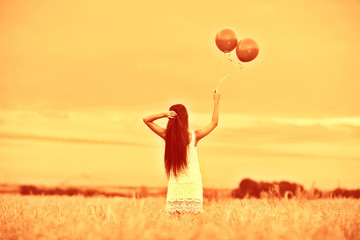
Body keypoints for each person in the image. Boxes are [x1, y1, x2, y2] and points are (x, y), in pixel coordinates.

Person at [143, 90, 220, 216]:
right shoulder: (196, 136)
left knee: (175, 222)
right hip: (193, 183)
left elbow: (146, 119)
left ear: (170, 118)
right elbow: (214, 123)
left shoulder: (166, 136)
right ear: (186, 119)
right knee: (193, 220)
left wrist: (164, 114)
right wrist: (216, 101)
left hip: (176, 184)